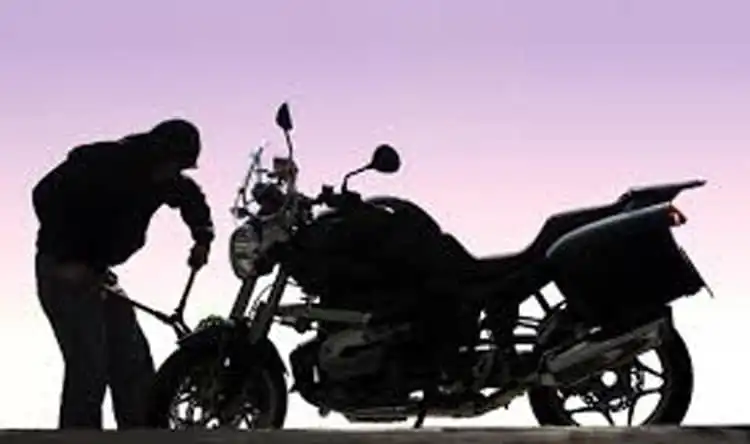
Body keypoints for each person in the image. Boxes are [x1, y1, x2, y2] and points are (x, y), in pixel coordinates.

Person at [31, 119, 216, 429]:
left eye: (180, 168)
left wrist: (202, 238)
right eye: (174, 165)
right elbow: (45, 194)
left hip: (98, 272)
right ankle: (79, 436)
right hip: (62, 272)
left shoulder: (164, 179)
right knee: (90, 362)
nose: (174, 173)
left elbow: (190, 197)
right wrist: (67, 258)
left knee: (132, 359)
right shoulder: (104, 162)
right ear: (158, 153)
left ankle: (141, 433)